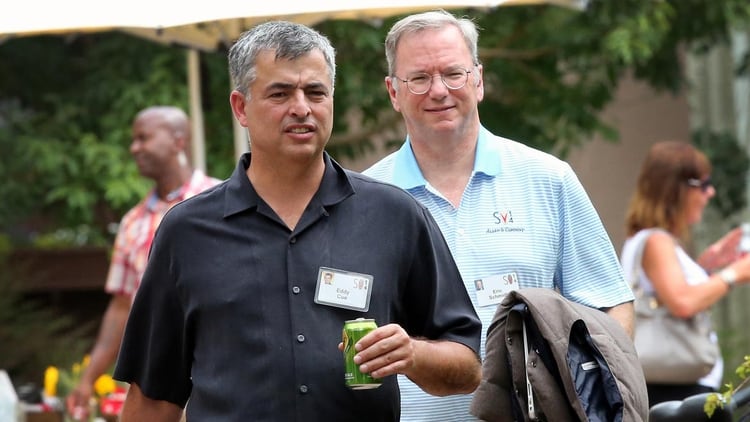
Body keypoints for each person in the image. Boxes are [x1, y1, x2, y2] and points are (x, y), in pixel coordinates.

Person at [112, 21, 482, 421]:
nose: (302, 108)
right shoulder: (187, 232)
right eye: (281, 93)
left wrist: (413, 354)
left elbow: (467, 366)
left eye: (316, 92)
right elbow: (153, 398)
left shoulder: (395, 216)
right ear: (241, 107)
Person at [363, 10, 636, 421]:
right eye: (419, 79)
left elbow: (611, 308)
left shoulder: (548, 179)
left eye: (453, 73)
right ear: (393, 92)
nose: (439, 90)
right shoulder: (366, 198)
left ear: (479, 80)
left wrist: (595, 399)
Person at [65, 106, 221, 420]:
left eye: (143, 138)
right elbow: (121, 307)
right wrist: (87, 379)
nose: (134, 147)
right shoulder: (132, 223)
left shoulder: (223, 201)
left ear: (178, 142)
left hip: (216, 379)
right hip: (156, 387)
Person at [620, 141, 750, 405]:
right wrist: (734, 273)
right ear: (677, 190)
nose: (710, 193)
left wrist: (707, 265)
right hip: (675, 388)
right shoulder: (656, 241)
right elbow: (682, 301)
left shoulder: (649, 240)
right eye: (703, 184)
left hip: (672, 385)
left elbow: (670, 291)